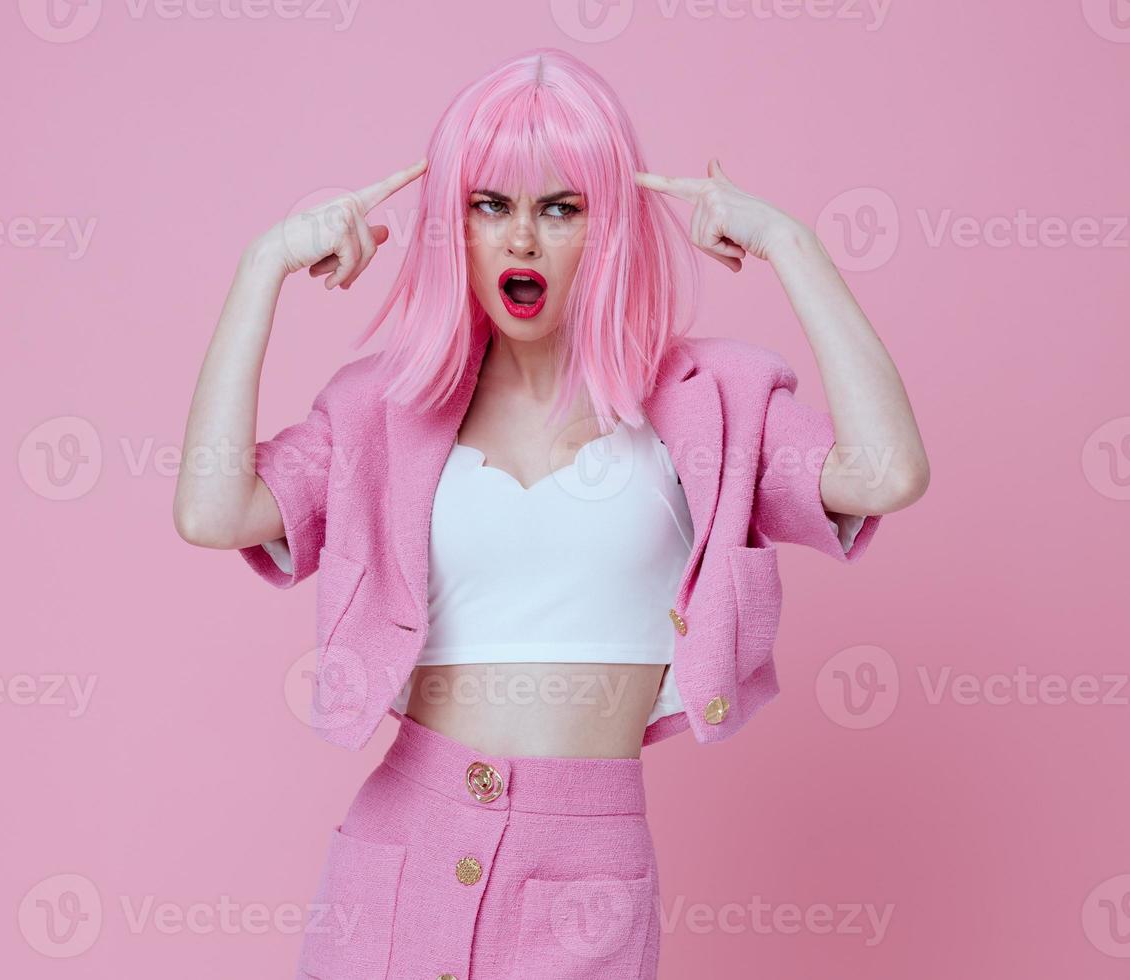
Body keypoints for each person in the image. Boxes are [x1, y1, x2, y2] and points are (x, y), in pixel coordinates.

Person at [174, 47, 927, 980]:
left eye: (560, 207)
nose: (521, 239)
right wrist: (263, 267)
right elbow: (214, 510)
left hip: (588, 870)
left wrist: (793, 248)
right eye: (490, 205)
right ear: (455, 226)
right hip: (401, 850)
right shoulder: (383, 406)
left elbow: (886, 472)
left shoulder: (702, 402)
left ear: (606, 225)